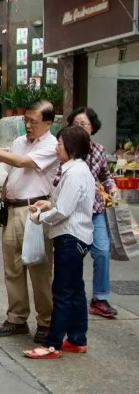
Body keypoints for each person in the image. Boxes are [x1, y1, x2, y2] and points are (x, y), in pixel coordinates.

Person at [0, 100, 59, 342]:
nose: (28, 126)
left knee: (39, 270)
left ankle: (46, 321)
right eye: (25, 120)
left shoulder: (51, 146)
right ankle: (17, 317)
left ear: (48, 123)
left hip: (35, 211)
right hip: (13, 209)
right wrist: (1, 204)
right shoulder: (19, 142)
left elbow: (22, 162)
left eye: (33, 122)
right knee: (13, 268)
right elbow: (12, 175)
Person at [23, 125, 96, 360]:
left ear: (71, 147)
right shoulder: (77, 169)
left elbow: (63, 210)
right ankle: (77, 339)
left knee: (62, 291)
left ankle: (52, 344)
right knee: (75, 290)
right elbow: (65, 202)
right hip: (77, 236)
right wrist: (48, 205)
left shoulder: (74, 173)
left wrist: (40, 217)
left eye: (60, 144)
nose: (57, 148)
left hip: (70, 237)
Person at [68, 106, 120, 319]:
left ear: (92, 127)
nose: (79, 128)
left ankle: (100, 298)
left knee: (102, 251)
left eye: (84, 124)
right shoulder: (64, 148)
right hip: (72, 211)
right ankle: (72, 296)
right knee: (73, 255)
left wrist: (112, 187)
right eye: (76, 124)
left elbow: (105, 175)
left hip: (95, 210)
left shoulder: (98, 150)